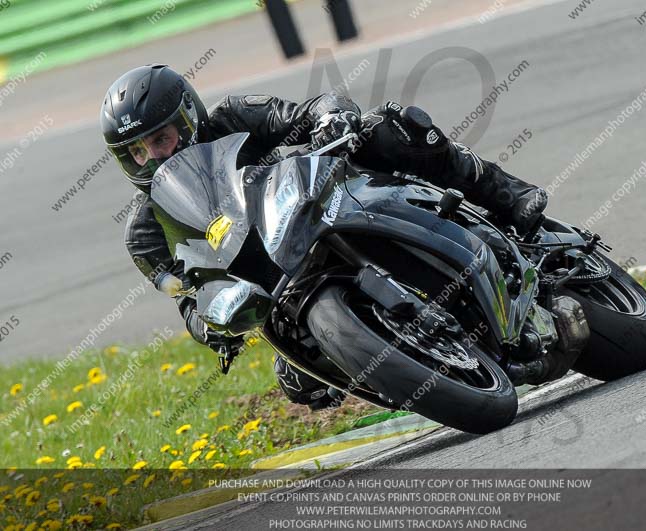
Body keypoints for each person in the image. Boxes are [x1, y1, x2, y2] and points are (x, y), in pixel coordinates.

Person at [101, 64, 548, 409]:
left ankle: (505, 193)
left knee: (390, 128)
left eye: (159, 139)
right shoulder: (145, 233)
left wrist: (332, 120)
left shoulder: (233, 117)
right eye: (136, 152)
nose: (151, 156)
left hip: (316, 209)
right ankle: (419, 361)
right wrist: (209, 326)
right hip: (276, 294)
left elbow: (308, 110)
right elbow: (187, 295)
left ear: (188, 115)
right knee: (298, 382)